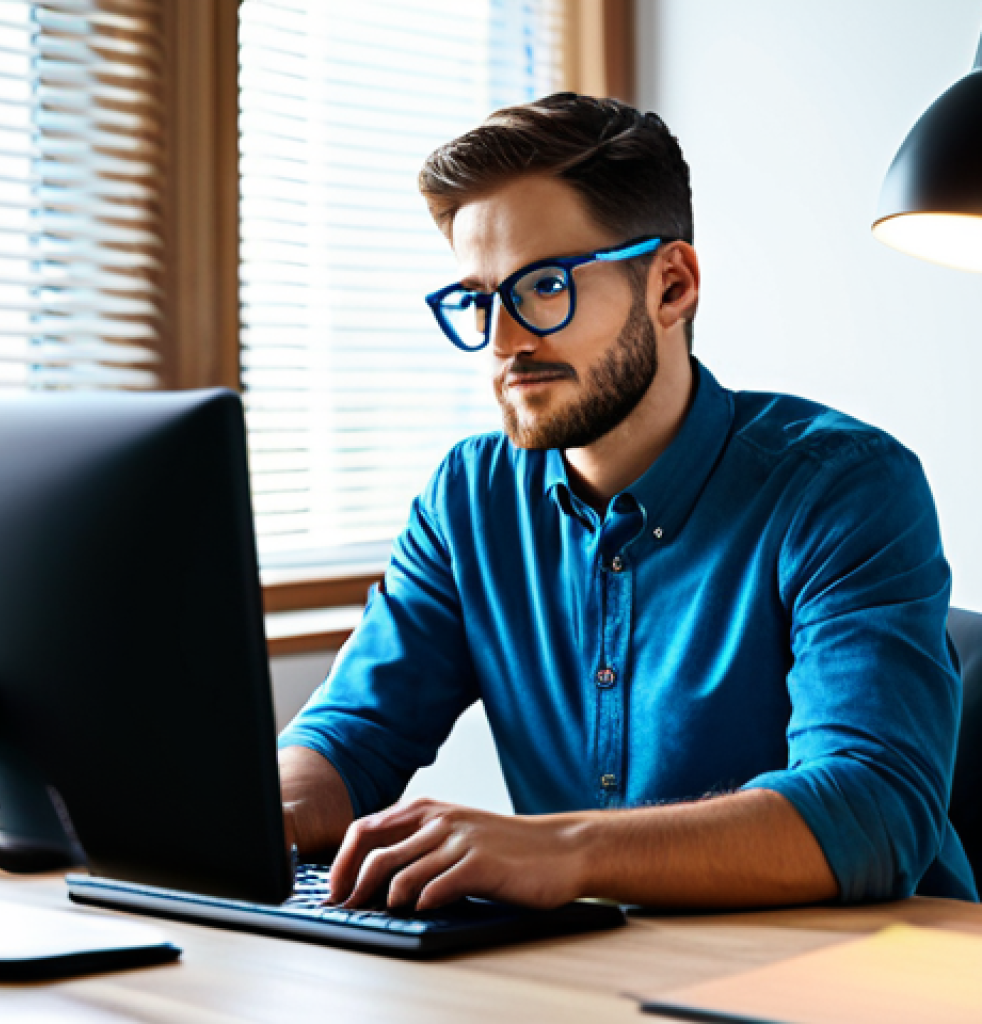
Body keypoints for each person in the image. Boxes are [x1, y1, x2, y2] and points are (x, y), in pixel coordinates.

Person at [276, 93, 978, 912]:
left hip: (855, 976)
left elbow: (873, 812)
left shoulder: (845, 486)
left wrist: (562, 850)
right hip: (597, 974)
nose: (503, 342)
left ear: (672, 285)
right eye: (477, 299)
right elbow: (347, 738)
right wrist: (264, 820)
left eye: (543, 286)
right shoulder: (468, 500)